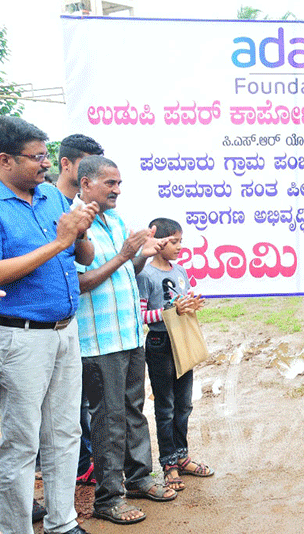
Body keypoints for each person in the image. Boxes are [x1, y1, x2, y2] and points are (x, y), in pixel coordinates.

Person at [0, 116, 98, 534]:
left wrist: (80, 233)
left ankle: (63, 522)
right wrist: (59, 241)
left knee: (64, 432)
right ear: (5, 160)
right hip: (20, 337)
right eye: (36, 157)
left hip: (65, 331)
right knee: (20, 442)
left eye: (46, 155)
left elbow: (84, 256)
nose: (46, 164)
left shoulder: (52, 196)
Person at [75, 155, 175, 525]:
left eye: (119, 183)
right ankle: (108, 498)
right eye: (110, 183)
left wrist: (140, 257)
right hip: (99, 341)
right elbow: (81, 283)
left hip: (129, 334)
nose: (117, 190)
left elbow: (124, 273)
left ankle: (138, 479)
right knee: (109, 419)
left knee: (133, 410)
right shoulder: (73, 222)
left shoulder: (115, 220)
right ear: (86, 184)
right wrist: (124, 255)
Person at [137, 218, 214, 491]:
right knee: (166, 406)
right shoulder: (145, 275)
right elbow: (142, 315)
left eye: (181, 241)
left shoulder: (180, 271)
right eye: (174, 242)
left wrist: (192, 304)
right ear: (159, 244)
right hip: (160, 342)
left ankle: (183, 456)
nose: (180, 247)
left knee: (184, 404)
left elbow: (183, 302)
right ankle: (169, 464)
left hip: (182, 340)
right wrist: (171, 311)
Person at [53, 133, 104, 486]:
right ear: (66, 164)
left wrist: (81, 231)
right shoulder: (47, 203)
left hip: (69, 324)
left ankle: (80, 467)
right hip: (34, 325)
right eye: (87, 164)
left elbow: (83, 258)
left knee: (72, 411)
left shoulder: (81, 208)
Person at [56, 133, 104, 202]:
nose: (95, 171)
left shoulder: (98, 205)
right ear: (65, 164)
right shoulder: (45, 201)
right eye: (89, 165)